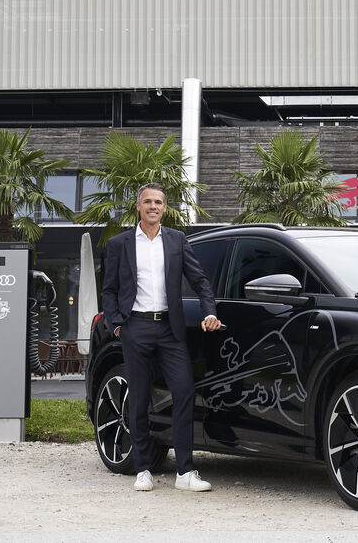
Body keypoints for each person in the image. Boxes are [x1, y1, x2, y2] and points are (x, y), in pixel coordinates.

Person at [101, 182, 222, 492]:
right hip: (135, 327)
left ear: (165, 208)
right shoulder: (120, 244)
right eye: (147, 202)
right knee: (140, 398)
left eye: (158, 202)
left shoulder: (177, 241)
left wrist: (210, 311)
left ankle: (185, 472)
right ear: (139, 207)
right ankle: (143, 468)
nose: (153, 206)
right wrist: (118, 325)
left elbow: (200, 280)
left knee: (183, 392)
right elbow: (110, 290)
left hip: (171, 329)